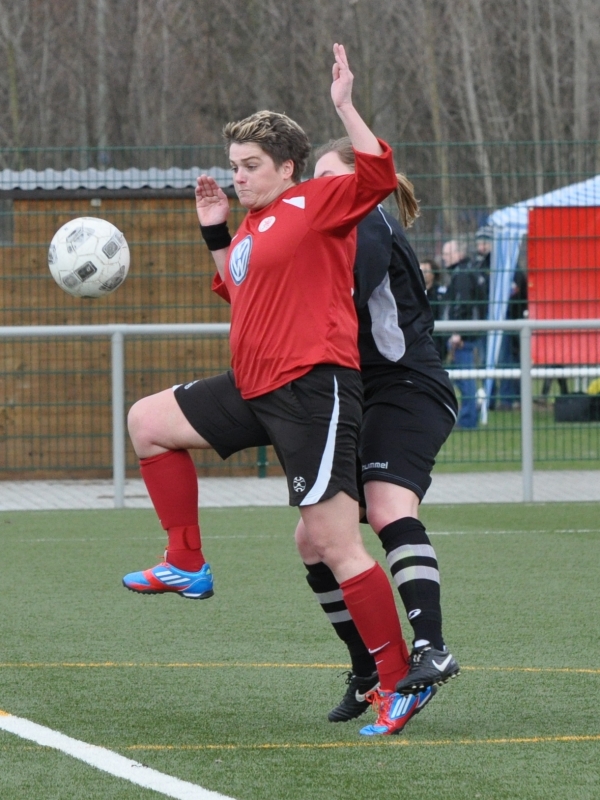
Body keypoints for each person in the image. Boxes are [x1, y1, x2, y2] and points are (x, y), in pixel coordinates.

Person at [122, 44, 432, 737]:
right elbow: (240, 292)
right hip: (256, 385)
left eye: (251, 165)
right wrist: (215, 230)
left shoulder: (316, 201)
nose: (237, 176)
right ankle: (186, 562)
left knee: (332, 543)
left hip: (312, 390)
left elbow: (377, 173)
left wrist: (344, 105)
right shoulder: (252, 228)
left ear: (287, 167)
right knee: (148, 421)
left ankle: (394, 684)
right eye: (233, 165)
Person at [295, 137, 460, 727]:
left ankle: (431, 649)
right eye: (313, 179)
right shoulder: (342, 227)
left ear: (360, 181)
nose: (319, 189)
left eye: (330, 177)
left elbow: (338, 300)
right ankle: (367, 670)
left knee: (389, 507)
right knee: (312, 539)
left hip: (409, 388)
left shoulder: (367, 219)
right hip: (367, 395)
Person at [442, 238, 488, 429]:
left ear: (459, 254)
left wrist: (457, 332)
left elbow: (462, 304)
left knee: (465, 378)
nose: (444, 258)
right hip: (470, 333)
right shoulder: (470, 271)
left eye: (448, 253)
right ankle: (467, 415)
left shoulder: (461, 274)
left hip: (463, 336)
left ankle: (468, 419)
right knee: (463, 377)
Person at [420, 258, 448, 362]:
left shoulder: (441, 294)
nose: (423, 274)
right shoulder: (415, 293)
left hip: (437, 340)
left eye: (426, 271)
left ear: (433, 274)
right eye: (420, 270)